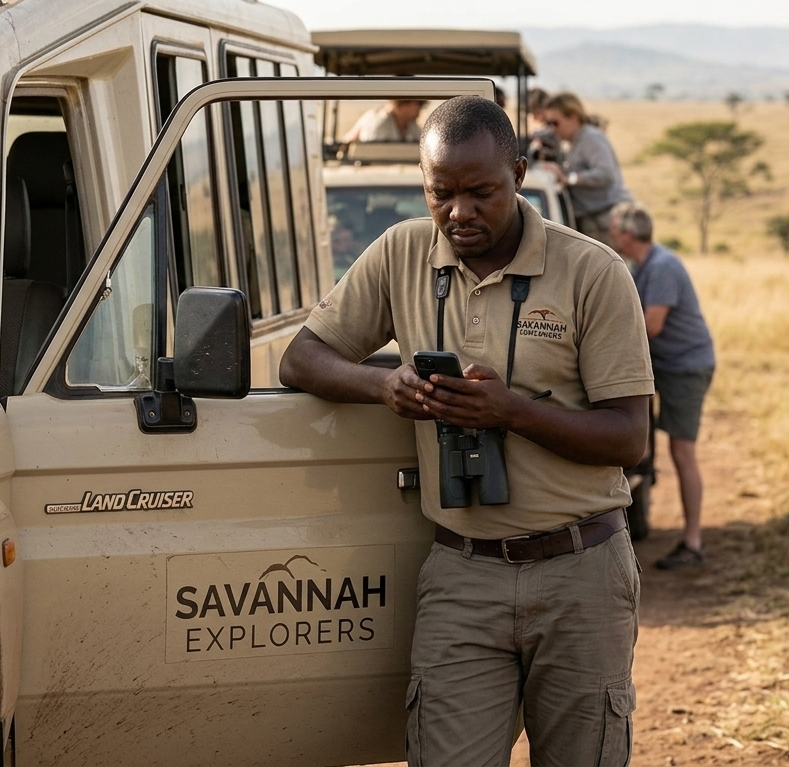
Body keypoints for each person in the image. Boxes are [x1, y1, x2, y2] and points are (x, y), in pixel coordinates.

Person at [280, 96, 653, 766]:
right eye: (439, 193)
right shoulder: (401, 252)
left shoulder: (591, 270)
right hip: (461, 570)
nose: (458, 213)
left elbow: (628, 438)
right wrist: (385, 383)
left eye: (480, 192)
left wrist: (509, 412)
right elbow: (301, 356)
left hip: (581, 570)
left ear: (518, 170)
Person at [609, 202, 716, 570]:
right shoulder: (646, 265)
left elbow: (650, 325)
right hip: (669, 366)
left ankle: (693, 542)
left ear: (627, 233)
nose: (610, 236)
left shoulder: (662, 266)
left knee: (683, 451)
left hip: (685, 367)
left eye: (613, 230)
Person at [540, 92, 632, 245]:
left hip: (607, 220)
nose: (551, 129)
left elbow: (605, 173)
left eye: (555, 123)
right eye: (548, 123)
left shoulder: (590, 138)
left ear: (573, 117)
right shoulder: (572, 142)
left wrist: (569, 179)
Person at [342, 99, 425, 143]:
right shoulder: (378, 123)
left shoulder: (411, 125)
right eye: (419, 103)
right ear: (402, 104)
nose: (420, 108)